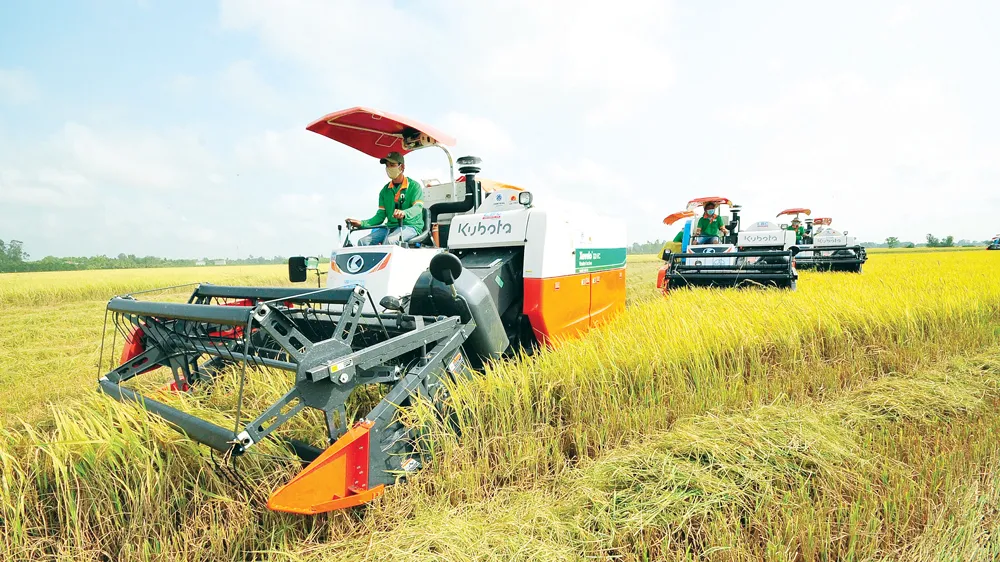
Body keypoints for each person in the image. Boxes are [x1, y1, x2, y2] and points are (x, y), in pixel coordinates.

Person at [346, 152, 425, 246]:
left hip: (411, 227)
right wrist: (361, 223)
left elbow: (418, 208)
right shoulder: (384, 191)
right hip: (390, 227)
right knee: (363, 242)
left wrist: (404, 213)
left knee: (390, 241)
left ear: (402, 167)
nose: (389, 168)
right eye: (387, 166)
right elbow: (380, 217)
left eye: (392, 165)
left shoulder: (414, 186)